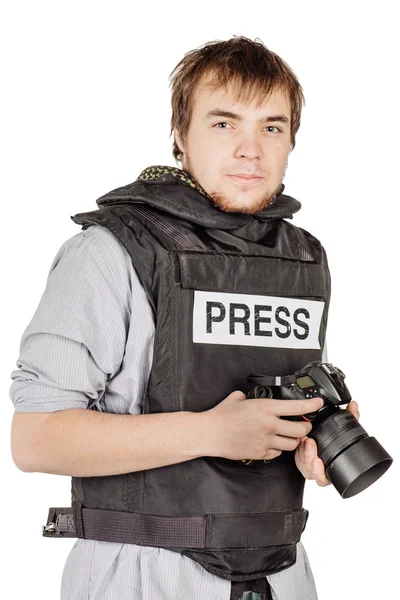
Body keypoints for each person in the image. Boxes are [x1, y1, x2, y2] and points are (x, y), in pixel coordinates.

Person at [9, 35, 360, 600]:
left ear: (292, 139)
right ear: (180, 133)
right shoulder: (110, 251)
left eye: (271, 126)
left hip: (284, 574)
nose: (251, 149)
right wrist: (213, 432)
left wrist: (304, 439)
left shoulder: (301, 257)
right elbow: (36, 440)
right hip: (144, 573)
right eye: (225, 123)